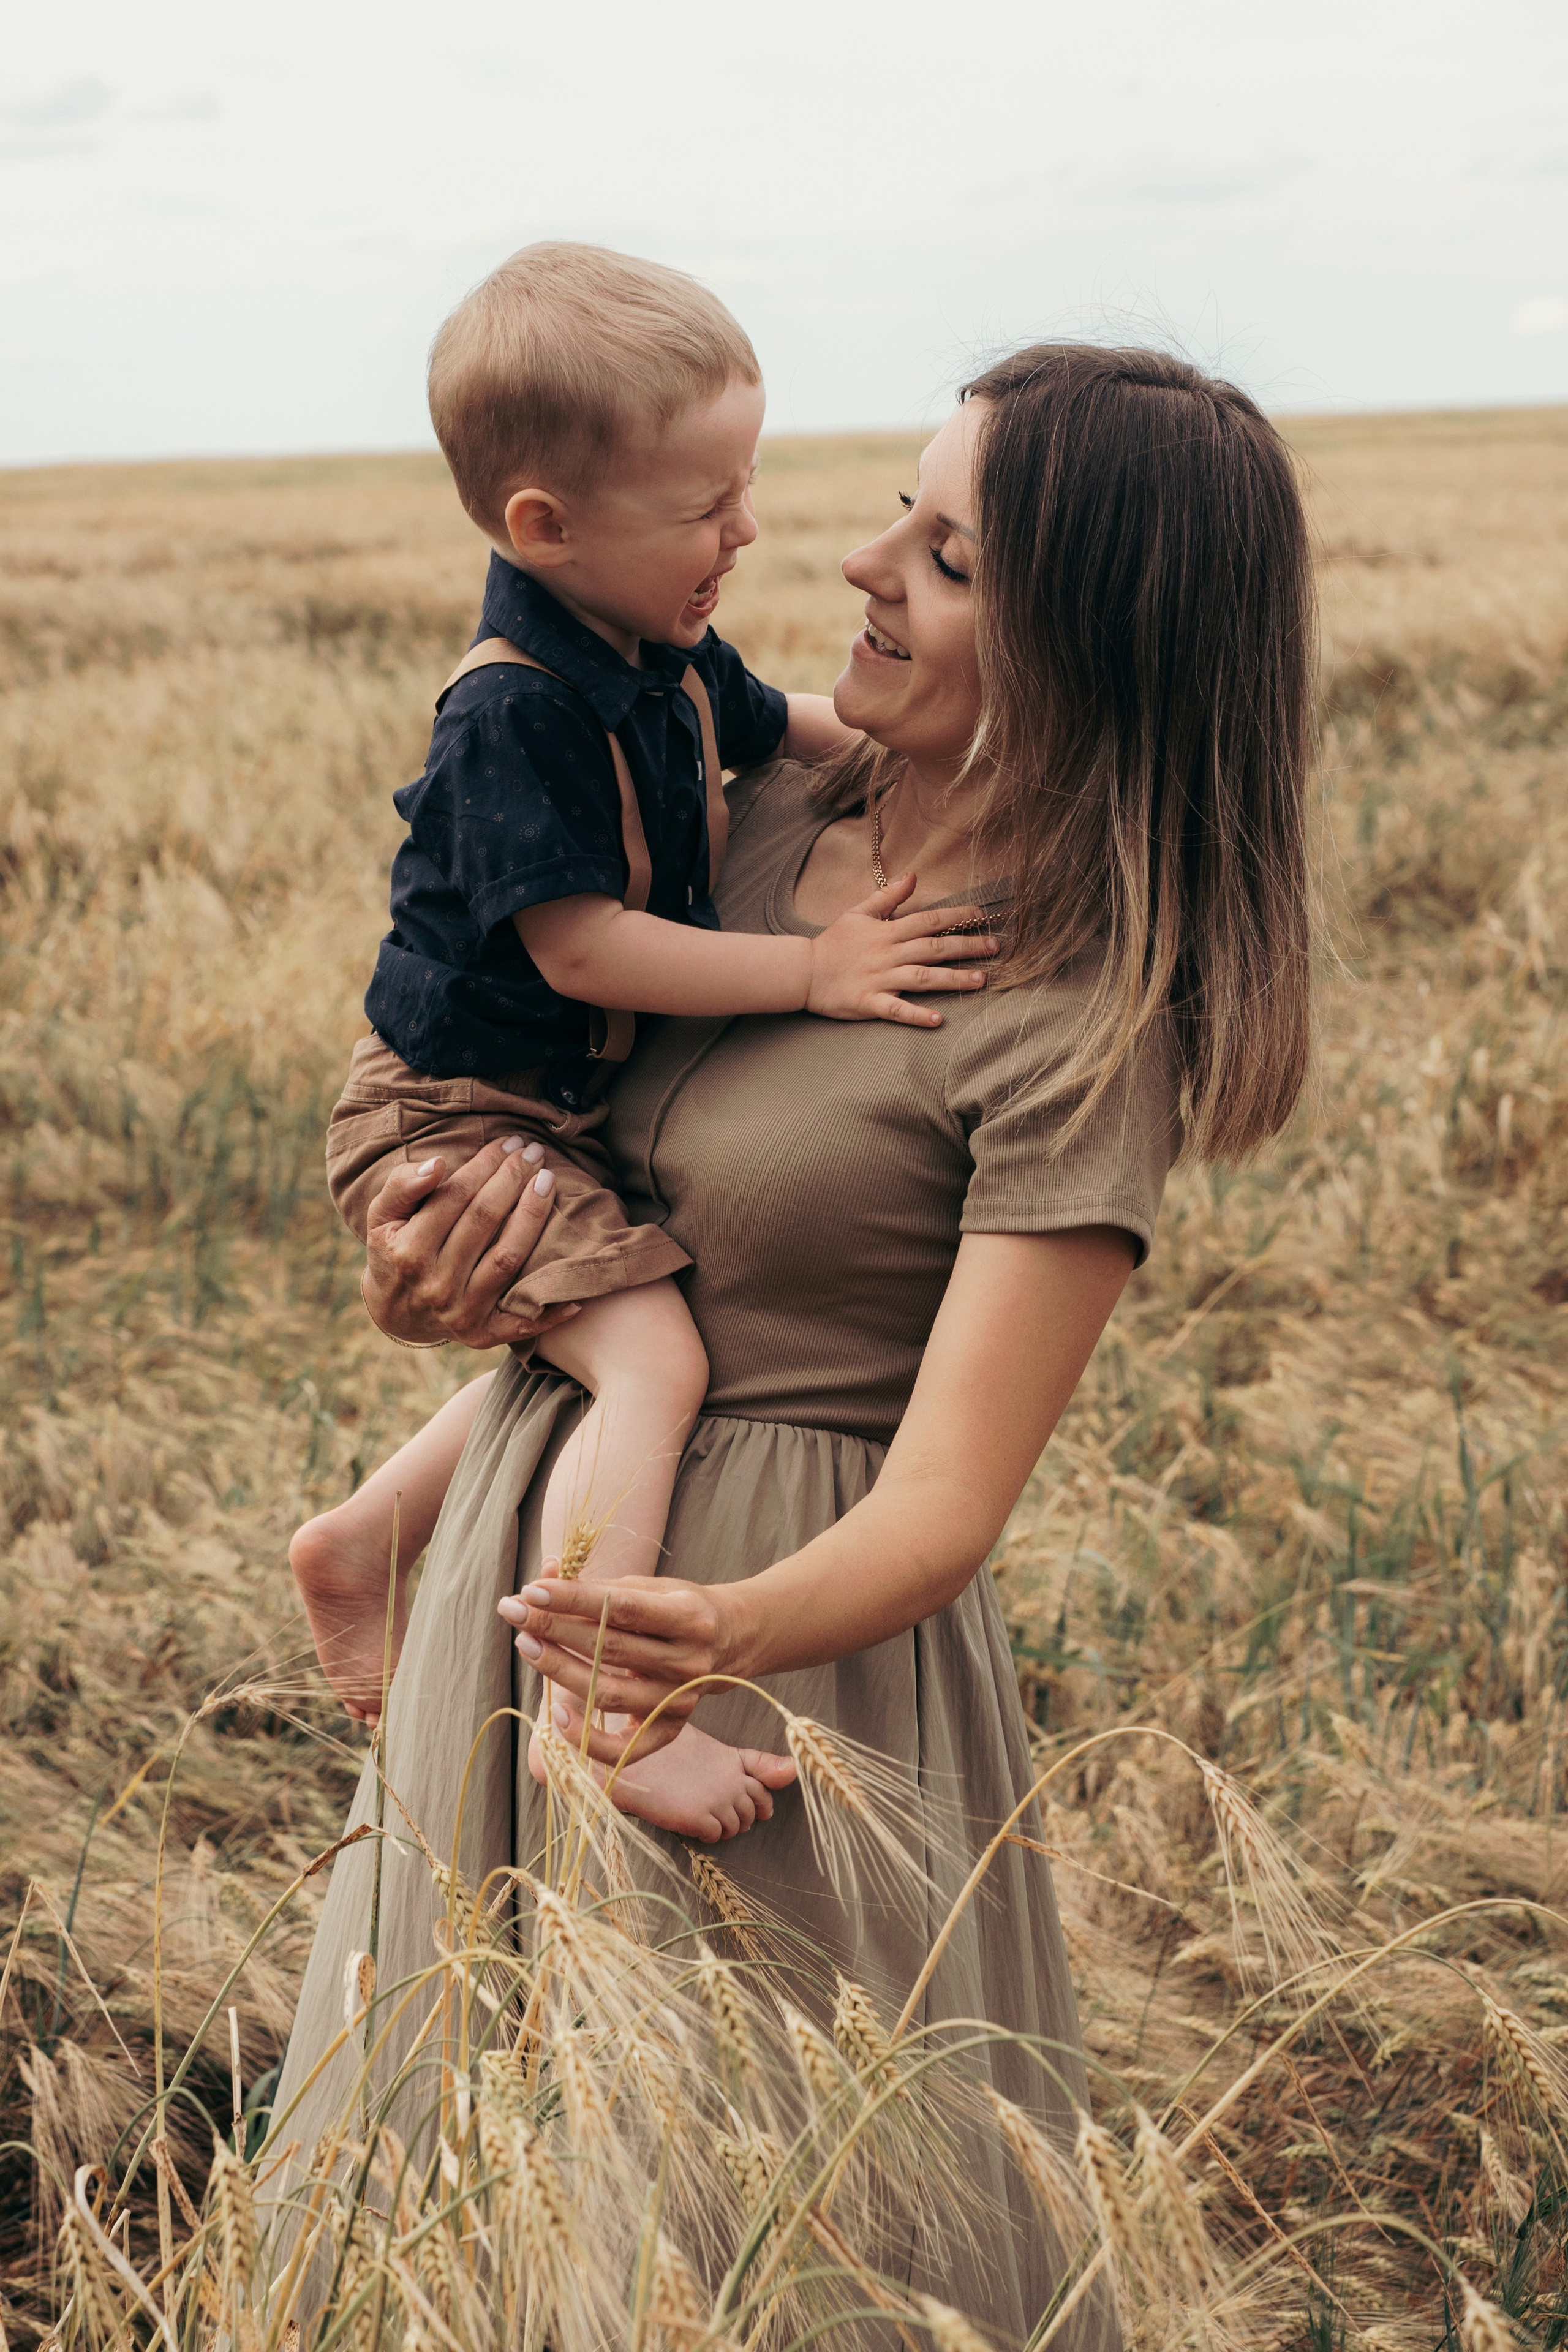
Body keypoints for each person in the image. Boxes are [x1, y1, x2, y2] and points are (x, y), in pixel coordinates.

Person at [273, 342, 1314, 2337]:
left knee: (750, 2258)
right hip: (535, 1557)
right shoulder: (748, 808)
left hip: (765, 1680)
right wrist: (428, 1253)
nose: (854, 564)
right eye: (899, 515)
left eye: (945, 556)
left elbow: (946, 1503)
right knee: (456, 2212)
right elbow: (501, 1048)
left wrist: (711, 1646)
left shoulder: (1079, 1018)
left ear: (1094, 643)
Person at [288, 243, 996, 1844]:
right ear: (547, 529)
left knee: (624, 1299)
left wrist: (948, 762)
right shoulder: (516, 709)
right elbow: (583, 944)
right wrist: (815, 969)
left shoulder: (657, 645)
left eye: (744, 489)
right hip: (459, 1111)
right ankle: (597, 1709)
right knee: (654, 1347)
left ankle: (361, 1538)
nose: (753, 533)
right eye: (708, 506)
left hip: (542, 1096)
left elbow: (796, 733)